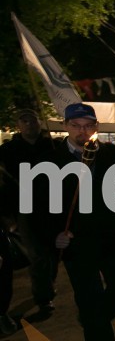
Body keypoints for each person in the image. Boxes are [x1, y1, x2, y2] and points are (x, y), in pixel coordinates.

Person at [52, 103, 115, 341]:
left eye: (88, 125)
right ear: (65, 126)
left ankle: (94, 321)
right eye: (76, 125)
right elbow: (38, 205)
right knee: (90, 302)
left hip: (114, 239)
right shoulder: (51, 159)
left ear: (96, 128)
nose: (82, 131)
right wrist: (54, 235)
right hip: (78, 245)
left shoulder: (111, 153)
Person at [0, 108, 59, 317]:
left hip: (53, 206)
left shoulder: (52, 145)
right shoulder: (8, 151)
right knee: (37, 255)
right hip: (24, 208)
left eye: (32, 120)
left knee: (53, 252)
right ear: (18, 126)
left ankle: (48, 283)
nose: (29, 124)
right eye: (24, 121)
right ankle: (44, 298)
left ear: (39, 123)